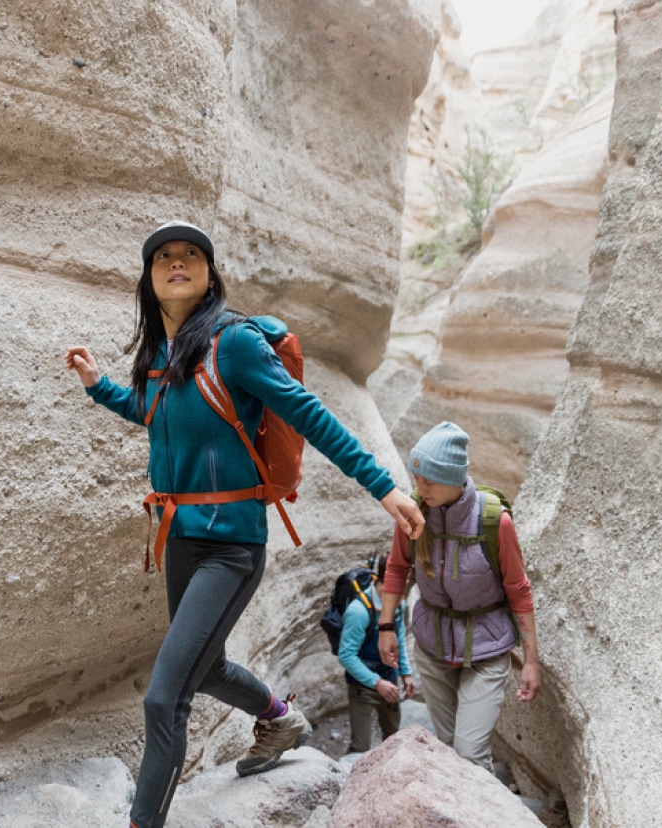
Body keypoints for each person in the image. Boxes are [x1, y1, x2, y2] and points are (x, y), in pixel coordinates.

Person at [65, 220, 425, 828]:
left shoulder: (234, 343)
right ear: (149, 281)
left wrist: (381, 484)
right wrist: (100, 386)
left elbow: (308, 413)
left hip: (231, 547)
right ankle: (279, 718)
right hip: (178, 538)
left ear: (210, 276)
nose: (177, 262)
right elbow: (152, 414)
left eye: (191, 255)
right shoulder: (159, 352)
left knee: (164, 697)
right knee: (203, 668)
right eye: (164, 258)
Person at [377, 421, 539, 773]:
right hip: (433, 647)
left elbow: (519, 590)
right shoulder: (412, 515)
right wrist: (386, 625)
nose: (419, 488)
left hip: (487, 647)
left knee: (469, 751)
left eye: (428, 481)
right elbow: (397, 568)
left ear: (453, 478)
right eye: (416, 478)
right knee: (449, 749)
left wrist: (531, 660)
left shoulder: (495, 522)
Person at [336, 554, 415, 753]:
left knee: (394, 740)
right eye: (406, 581)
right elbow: (346, 655)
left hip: (389, 676)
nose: (409, 586)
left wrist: (405, 673)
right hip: (363, 687)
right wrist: (377, 683)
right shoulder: (358, 611)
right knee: (360, 747)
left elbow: (399, 640)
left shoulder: (399, 604)